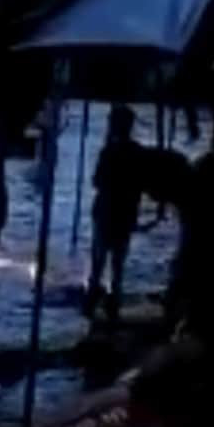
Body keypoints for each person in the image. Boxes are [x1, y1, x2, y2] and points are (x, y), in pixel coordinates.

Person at [86, 105, 146, 323]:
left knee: (100, 261)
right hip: (124, 212)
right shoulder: (136, 152)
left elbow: (97, 181)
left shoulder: (110, 151)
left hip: (108, 212)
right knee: (117, 263)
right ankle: (112, 304)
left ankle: (94, 303)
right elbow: (141, 183)